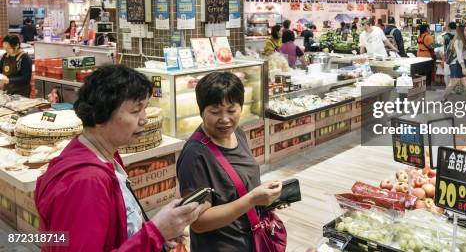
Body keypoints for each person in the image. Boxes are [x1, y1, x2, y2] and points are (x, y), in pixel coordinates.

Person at [35, 65, 206, 251]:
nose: (144, 119)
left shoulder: (103, 154)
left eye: (145, 108)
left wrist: (158, 235)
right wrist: (156, 232)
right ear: (101, 113)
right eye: (135, 111)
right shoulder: (86, 181)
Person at [177, 72, 285, 252]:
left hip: (252, 240)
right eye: (215, 111)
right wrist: (252, 199)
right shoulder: (195, 156)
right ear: (201, 111)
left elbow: (236, 187)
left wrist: (266, 197)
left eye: (231, 110)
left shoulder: (237, 133)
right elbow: (199, 222)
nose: (225, 119)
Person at [442, 25, 466, 101]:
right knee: (452, 84)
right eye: (465, 30)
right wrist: (463, 67)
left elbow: (463, 55)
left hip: (459, 64)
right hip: (457, 65)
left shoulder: (461, 40)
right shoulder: (459, 41)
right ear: (461, 32)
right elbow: (459, 56)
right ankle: (444, 98)